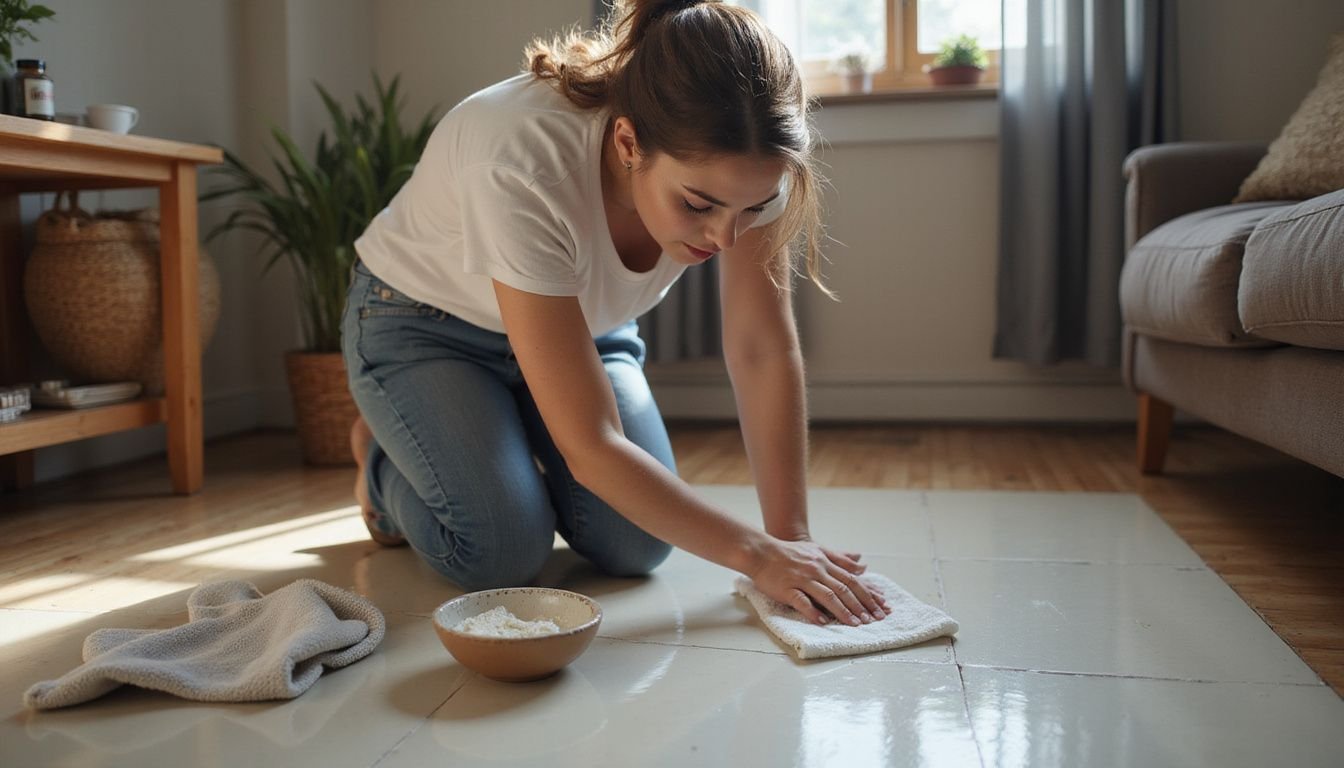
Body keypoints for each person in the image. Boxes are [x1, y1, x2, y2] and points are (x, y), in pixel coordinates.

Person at [343, 0, 889, 627]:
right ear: (629, 143)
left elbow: (761, 347)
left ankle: (494, 442)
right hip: (425, 326)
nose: (724, 239)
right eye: (699, 206)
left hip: (585, 331)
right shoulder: (518, 155)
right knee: (498, 551)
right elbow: (590, 444)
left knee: (638, 545)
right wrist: (756, 556)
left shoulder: (752, 169)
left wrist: (790, 538)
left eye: (750, 210)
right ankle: (381, 461)